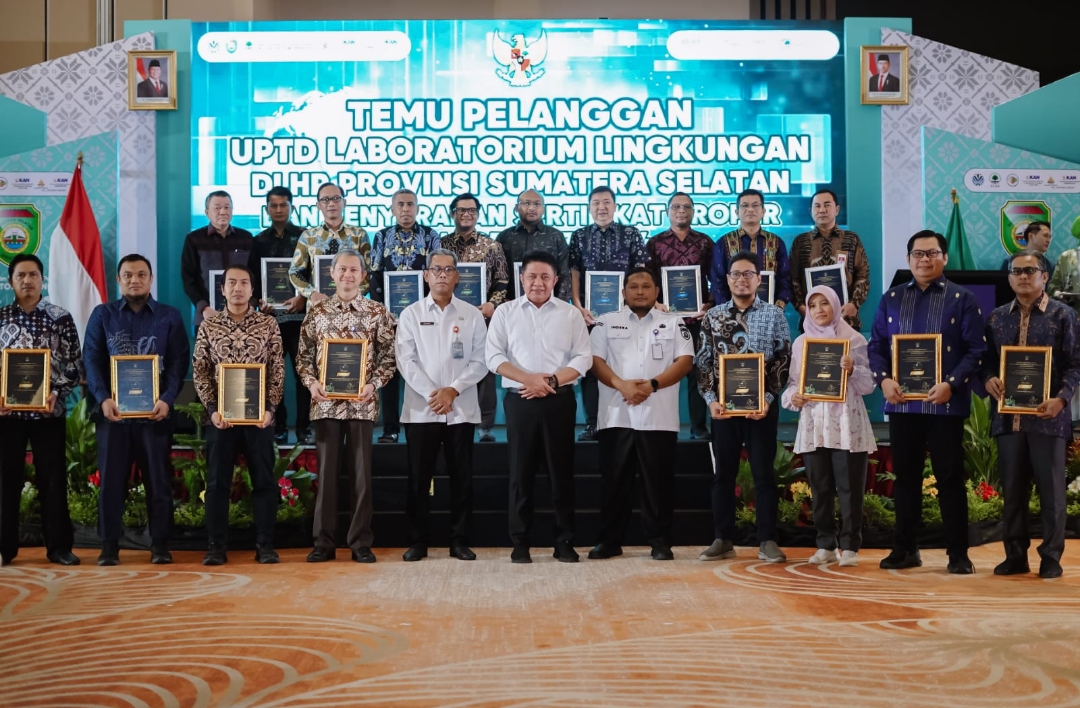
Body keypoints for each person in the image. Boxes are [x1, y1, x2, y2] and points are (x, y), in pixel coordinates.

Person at [868, 230, 985, 573]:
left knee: (949, 478)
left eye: (932, 253)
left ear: (944, 258)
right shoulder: (891, 298)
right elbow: (876, 346)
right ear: (908, 259)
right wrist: (884, 380)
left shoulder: (963, 298)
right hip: (902, 403)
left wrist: (951, 384)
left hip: (945, 404)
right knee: (905, 479)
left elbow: (976, 350)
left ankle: (958, 554)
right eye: (918, 254)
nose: (924, 259)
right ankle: (905, 549)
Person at [83, 254, 189, 566]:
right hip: (113, 415)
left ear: (151, 279)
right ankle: (109, 547)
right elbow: (92, 359)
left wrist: (167, 398)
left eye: (141, 274)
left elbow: (179, 361)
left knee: (158, 481)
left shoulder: (169, 316)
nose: (135, 280)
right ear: (119, 280)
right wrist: (103, 398)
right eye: (128, 275)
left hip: (155, 415)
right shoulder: (102, 315)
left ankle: (160, 545)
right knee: (111, 482)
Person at [486, 250, 591, 563]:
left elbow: (583, 358)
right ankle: (520, 542)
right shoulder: (505, 312)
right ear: (521, 278)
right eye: (532, 276)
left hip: (559, 400)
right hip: (521, 400)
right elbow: (494, 357)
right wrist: (530, 380)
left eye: (545, 277)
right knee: (521, 473)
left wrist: (552, 382)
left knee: (561, 473)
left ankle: (564, 541)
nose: (538, 283)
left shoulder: (570, 314)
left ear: (556, 280)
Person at [982, 250, 1080, 579]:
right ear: (1009, 278)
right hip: (1008, 418)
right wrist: (988, 378)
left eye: (1030, 270)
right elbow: (986, 361)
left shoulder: (1064, 316)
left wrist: (1061, 400)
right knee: (1013, 491)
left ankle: (1051, 557)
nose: (1023, 276)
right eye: (1016, 271)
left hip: (1049, 418)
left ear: (1045, 276)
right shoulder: (996, 318)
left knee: (1052, 493)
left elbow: (1075, 364)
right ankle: (1015, 556)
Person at [588, 267, 694, 561]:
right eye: (633, 286)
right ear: (623, 292)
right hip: (615, 416)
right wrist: (621, 385)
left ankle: (660, 542)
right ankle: (609, 542)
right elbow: (594, 360)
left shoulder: (673, 322)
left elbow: (685, 361)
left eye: (646, 286)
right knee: (613, 482)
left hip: (658, 417)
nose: (639, 291)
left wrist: (652, 385)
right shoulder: (606, 321)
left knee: (658, 484)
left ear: (657, 291)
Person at [298, 250, 397, 563]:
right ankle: (323, 543)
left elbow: (389, 357)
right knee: (326, 476)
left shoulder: (377, 312)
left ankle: (360, 543)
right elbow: (303, 356)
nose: (348, 275)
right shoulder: (317, 311)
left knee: (361, 477)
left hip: (361, 404)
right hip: (325, 404)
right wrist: (311, 384)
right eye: (342, 269)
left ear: (363, 275)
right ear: (332, 273)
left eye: (354, 270)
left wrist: (373, 384)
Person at [696, 251, 791, 563]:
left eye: (748, 274)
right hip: (723, 410)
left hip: (761, 409)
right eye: (736, 274)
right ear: (727, 279)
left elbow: (783, 360)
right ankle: (722, 539)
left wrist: (767, 400)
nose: (741, 279)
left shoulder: (775, 315)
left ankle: (767, 540)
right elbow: (703, 362)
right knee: (723, 475)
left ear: (759, 279)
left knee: (764, 475)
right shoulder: (713, 316)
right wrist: (711, 400)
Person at [395, 249, 488, 562]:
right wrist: (433, 395)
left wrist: (453, 390)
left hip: (461, 409)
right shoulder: (410, 314)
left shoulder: (472, 315)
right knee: (418, 479)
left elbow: (481, 360)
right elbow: (405, 361)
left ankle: (459, 541)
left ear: (457, 276)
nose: (442, 275)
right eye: (436, 269)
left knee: (462, 478)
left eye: (449, 270)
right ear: (426, 275)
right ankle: (417, 542)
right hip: (422, 411)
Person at [192, 265, 285, 566]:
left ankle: (265, 546)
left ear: (252, 289)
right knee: (217, 485)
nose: (238, 288)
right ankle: (216, 547)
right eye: (231, 283)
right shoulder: (209, 326)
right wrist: (212, 410)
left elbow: (277, 370)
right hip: (221, 419)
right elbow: (200, 371)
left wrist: (270, 409)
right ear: (222, 289)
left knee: (264, 482)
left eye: (244, 283)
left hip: (259, 419)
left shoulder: (268, 324)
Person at [781, 285, 876, 567]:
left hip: (847, 424)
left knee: (849, 488)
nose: (819, 310)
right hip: (814, 423)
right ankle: (825, 544)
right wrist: (793, 397)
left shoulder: (854, 339)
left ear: (835, 305)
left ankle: (850, 547)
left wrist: (853, 369)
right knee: (820, 487)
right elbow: (792, 384)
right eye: (813, 305)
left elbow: (869, 385)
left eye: (825, 303)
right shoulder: (801, 343)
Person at [0, 254, 83, 567]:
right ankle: (4, 548)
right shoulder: (1, 317)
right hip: (7, 415)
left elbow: (74, 363)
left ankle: (59, 547)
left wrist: (56, 393)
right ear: (11, 281)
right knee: (5, 480)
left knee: (53, 479)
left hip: (48, 412)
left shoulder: (60, 318)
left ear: (42, 279)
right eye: (21, 275)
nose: (27, 281)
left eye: (33, 275)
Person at [568, 186, 648, 441]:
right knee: (591, 367)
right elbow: (574, 272)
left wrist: (634, 305)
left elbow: (639, 273)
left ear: (615, 206)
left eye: (606, 202)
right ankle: (593, 422)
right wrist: (577, 304)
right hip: (588, 316)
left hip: (625, 313)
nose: (601, 207)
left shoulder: (631, 233)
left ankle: (625, 420)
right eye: (596, 203)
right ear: (589, 207)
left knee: (624, 365)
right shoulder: (579, 236)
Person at [368, 188, 441, 444]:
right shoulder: (381, 236)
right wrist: (381, 311)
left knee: (423, 369)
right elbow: (375, 275)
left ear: (418, 208)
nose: (406, 209)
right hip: (390, 318)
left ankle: (425, 423)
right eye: (400, 205)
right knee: (390, 372)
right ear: (392, 209)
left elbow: (436, 275)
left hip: (424, 318)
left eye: (410, 204)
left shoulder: (431, 236)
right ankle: (390, 428)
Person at [441, 193, 510, 443]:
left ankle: (485, 426)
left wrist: (493, 304)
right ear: (452, 214)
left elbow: (502, 279)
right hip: (448, 316)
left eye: (472, 210)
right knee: (449, 363)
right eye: (461, 210)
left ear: (478, 214)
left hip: (482, 317)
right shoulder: (441, 245)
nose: (467, 214)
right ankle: (450, 417)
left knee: (485, 368)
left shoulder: (492, 246)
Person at [645, 192, 713, 439]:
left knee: (698, 373)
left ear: (693, 211)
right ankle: (660, 427)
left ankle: (698, 427)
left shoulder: (705, 242)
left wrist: (708, 304)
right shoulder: (655, 243)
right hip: (664, 320)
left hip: (696, 320)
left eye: (686, 206)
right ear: (667, 211)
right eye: (676, 207)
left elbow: (716, 279)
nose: (681, 210)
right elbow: (647, 279)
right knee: (662, 373)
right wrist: (655, 303)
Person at [250, 186, 311, 444]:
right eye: (273, 205)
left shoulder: (305, 236)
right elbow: (253, 277)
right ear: (267, 209)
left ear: (292, 207)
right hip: (271, 320)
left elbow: (313, 272)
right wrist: (259, 302)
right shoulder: (258, 241)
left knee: (303, 375)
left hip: (300, 319)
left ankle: (305, 428)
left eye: (283, 205)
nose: (278, 209)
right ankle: (279, 426)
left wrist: (303, 297)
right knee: (274, 375)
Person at [789, 189, 871, 331]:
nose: (822, 210)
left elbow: (863, 275)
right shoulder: (800, 242)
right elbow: (792, 279)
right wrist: (801, 308)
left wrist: (854, 304)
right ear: (810, 211)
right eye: (817, 206)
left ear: (837, 209)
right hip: (812, 321)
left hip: (847, 320)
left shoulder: (852, 239)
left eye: (827, 205)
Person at [180, 190, 255, 328]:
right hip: (207, 315)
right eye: (217, 208)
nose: (223, 212)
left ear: (232, 210)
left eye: (227, 207)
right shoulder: (194, 239)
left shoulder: (246, 238)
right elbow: (188, 278)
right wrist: (203, 307)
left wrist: (252, 305)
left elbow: (254, 274)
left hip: (243, 316)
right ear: (207, 212)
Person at [709, 188, 792, 312]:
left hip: (770, 313)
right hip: (732, 315)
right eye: (745, 205)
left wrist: (777, 307)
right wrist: (729, 310)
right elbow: (717, 280)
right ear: (737, 212)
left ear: (763, 211)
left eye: (755, 205)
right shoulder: (723, 243)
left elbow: (785, 278)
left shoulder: (776, 242)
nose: (750, 209)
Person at [289, 182, 371, 303]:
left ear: (344, 202)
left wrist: (351, 294)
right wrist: (311, 293)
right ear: (318, 205)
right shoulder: (308, 236)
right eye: (325, 199)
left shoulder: (359, 234)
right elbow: (294, 272)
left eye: (336, 198)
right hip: (317, 305)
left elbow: (368, 273)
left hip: (351, 305)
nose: (331, 203)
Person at [495, 190, 571, 301]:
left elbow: (564, 274)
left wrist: (560, 303)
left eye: (537, 204)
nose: (531, 208)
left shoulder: (556, 236)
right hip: (511, 303)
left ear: (543, 209)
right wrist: (502, 303)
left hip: (548, 304)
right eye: (526, 203)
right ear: (516, 207)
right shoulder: (504, 237)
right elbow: (498, 274)